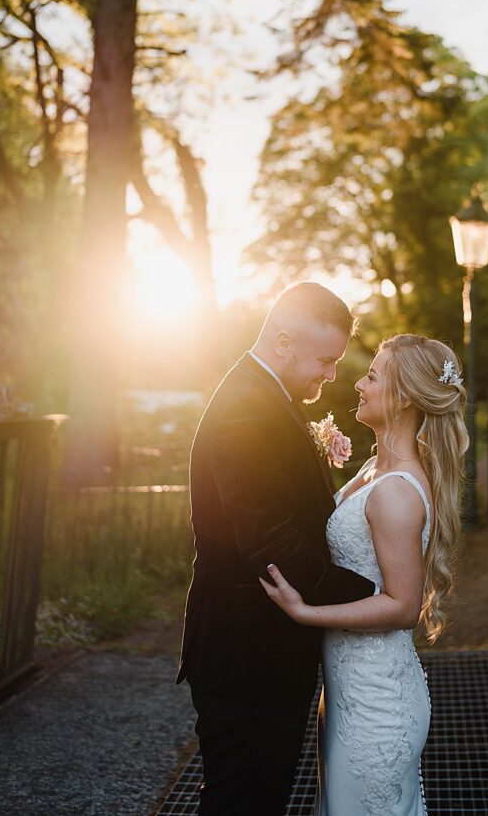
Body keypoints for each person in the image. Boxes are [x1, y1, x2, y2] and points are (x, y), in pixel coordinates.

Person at [176, 282, 377, 814]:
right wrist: (374, 594)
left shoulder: (263, 397)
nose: (331, 374)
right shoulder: (249, 409)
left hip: (256, 657)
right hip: (247, 658)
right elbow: (270, 542)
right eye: (325, 360)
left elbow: (288, 511)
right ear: (284, 342)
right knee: (244, 801)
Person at [260, 334, 467, 815]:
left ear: (405, 397)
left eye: (372, 376)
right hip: (348, 692)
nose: (358, 383)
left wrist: (303, 612)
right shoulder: (374, 468)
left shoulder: (396, 492)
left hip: (377, 707)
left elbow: (402, 606)